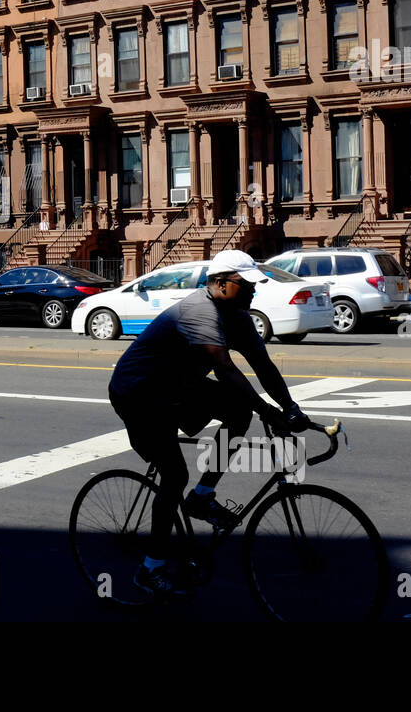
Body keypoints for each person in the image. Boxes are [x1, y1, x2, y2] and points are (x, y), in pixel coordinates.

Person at [107, 249, 311, 598]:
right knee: (174, 475)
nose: (252, 292)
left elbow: (264, 367)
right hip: (139, 393)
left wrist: (290, 407)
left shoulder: (239, 317)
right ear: (219, 284)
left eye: (253, 287)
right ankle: (150, 568)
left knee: (238, 412)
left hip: (177, 387)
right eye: (245, 286)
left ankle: (202, 497)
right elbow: (225, 368)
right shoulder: (199, 310)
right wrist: (267, 410)